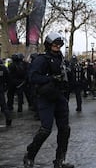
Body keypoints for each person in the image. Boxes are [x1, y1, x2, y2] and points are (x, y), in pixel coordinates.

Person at [23, 32, 74, 168]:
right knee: (46, 129)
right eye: (55, 44)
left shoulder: (62, 59)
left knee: (65, 129)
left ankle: (60, 160)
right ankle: (29, 155)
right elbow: (32, 77)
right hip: (46, 98)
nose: (57, 46)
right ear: (48, 44)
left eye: (59, 44)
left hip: (60, 97)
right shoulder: (42, 59)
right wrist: (50, 78)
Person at [0, 59, 12, 126]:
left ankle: (8, 118)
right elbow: (8, 78)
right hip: (1, 87)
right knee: (4, 105)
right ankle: (8, 118)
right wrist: (6, 87)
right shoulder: (3, 68)